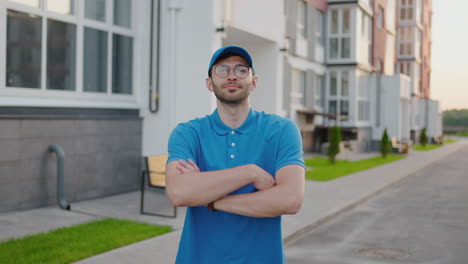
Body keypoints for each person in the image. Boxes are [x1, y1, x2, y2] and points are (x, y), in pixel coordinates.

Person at [166, 45, 305, 263]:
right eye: (222, 69)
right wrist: (249, 173)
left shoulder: (281, 131)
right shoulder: (188, 133)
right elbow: (178, 192)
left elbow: (291, 199)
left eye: (241, 70)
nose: (232, 76)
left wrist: (211, 201)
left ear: (254, 81)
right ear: (209, 83)